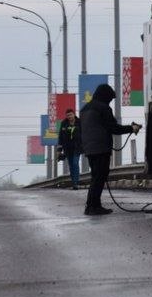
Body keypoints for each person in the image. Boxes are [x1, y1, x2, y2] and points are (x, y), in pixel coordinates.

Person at [79, 84, 140, 216]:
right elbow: (113, 128)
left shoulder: (85, 108)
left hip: (89, 148)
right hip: (101, 148)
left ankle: (91, 206)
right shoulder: (104, 108)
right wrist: (132, 128)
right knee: (100, 177)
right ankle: (94, 207)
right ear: (105, 96)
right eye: (110, 99)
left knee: (95, 177)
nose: (110, 101)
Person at [57, 108, 82, 190]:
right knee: (71, 166)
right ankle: (74, 182)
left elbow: (84, 134)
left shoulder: (80, 122)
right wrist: (59, 150)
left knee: (75, 163)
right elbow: (60, 137)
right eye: (67, 115)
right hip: (67, 148)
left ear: (74, 114)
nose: (69, 117)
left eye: (70, 115)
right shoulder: (64, 123)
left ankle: (76, 183)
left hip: (77, 147)